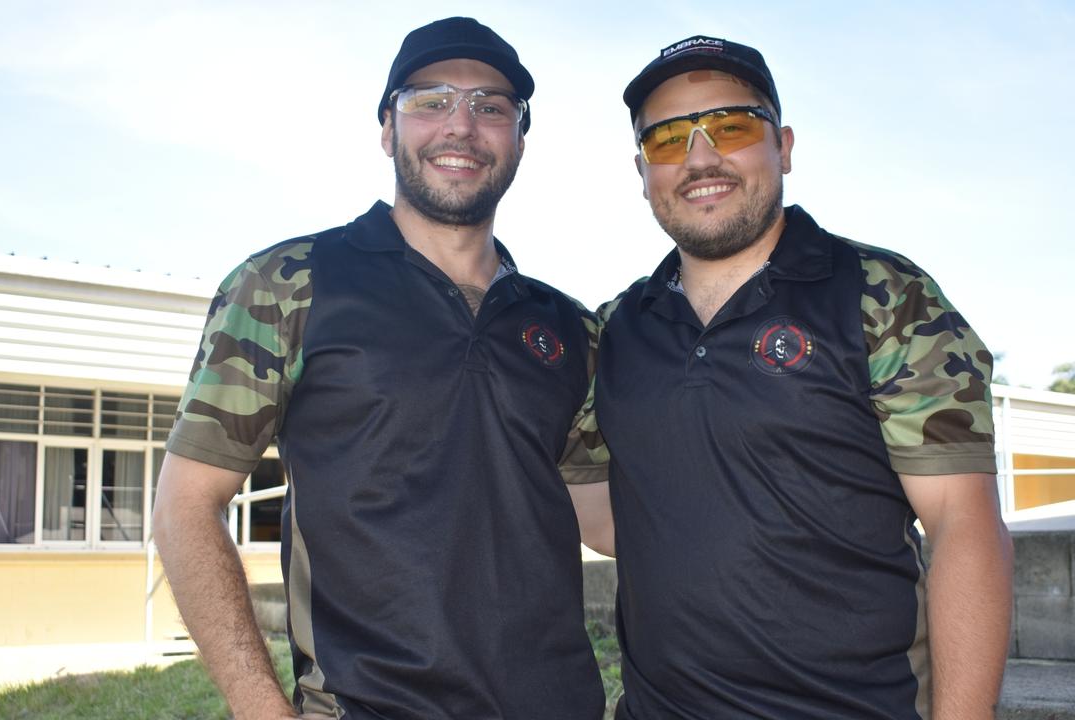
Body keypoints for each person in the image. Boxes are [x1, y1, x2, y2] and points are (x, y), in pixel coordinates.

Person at [152, 17, 612, 720]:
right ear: (386, 129)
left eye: (491, 107)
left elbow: (602, 521)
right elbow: (186, 506)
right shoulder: (289, 284)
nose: (461, 126)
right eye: (430, 101)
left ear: (519, 138)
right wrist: (260, 708)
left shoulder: (564, 326)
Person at [591, 35, 1014, 719]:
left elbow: (961, 522)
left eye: (730, 126)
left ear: (782, 146)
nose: (700, 157)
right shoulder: (611, 333)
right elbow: (604, 518)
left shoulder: (882, 295)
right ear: (641, 171)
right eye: (667, 141)